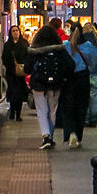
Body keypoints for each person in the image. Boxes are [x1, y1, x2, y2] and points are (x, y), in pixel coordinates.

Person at [26, 21, 72, 150]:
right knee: (53, 110)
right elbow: (70, 65)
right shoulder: (60, 50)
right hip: (56, 84)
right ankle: (50, 137)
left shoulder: (34, 51)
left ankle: (45, 136)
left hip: (38, 85)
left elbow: (27, 68)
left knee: (41, 110)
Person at [55, 22, 95, 147]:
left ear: (70, 31)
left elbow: (59, 60)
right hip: (83, 78)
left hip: (69, 79)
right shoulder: (88, 46)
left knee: (68, 107)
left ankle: (70, 132)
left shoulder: (66, 45)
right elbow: (93, 64)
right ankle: (79, 136)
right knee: (81, 107)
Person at [1, 24, 32, 122]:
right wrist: (10, 66)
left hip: (21, 73)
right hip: (11, 73)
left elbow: (28, 56)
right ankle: (12, 111)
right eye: (13, 31)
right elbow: (4, 58)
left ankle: (18, 114)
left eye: (17, 30)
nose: (15, 32)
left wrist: (25, 67)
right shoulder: (7, 45)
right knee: (13, 92)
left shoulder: (24, 43)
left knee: (19, 94)